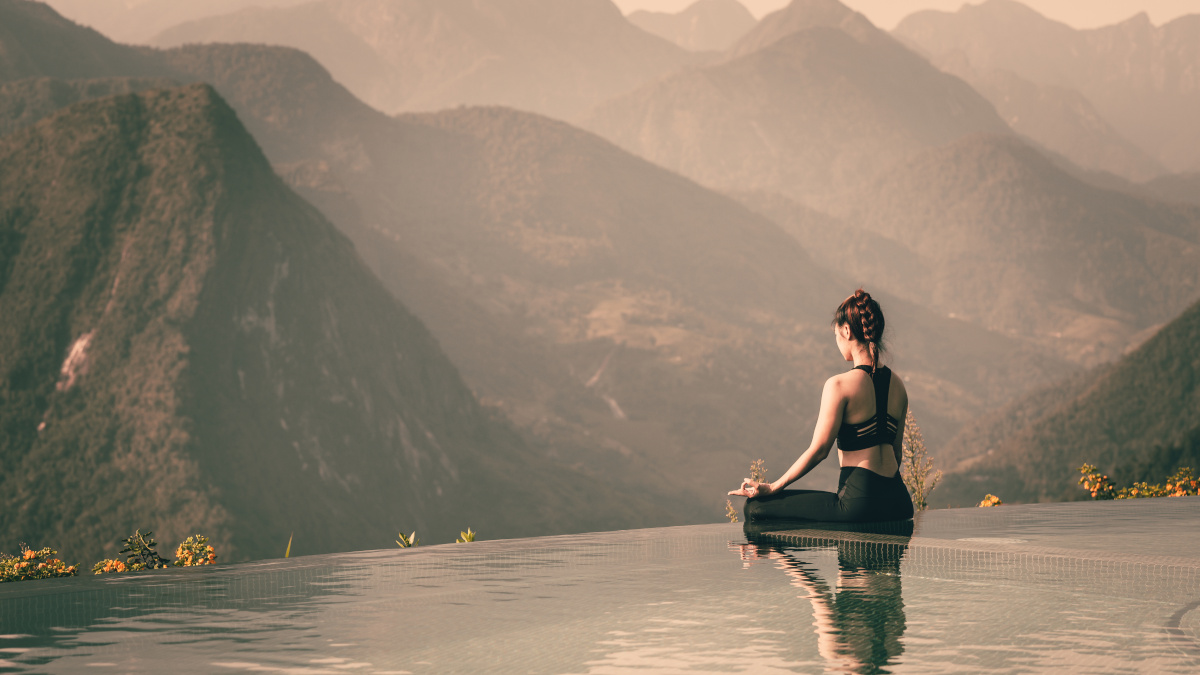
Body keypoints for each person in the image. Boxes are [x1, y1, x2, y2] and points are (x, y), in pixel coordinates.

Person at [729, 289, 914, 523]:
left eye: (836, 334)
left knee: (754, 509)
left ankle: (784, 560)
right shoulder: (898, 386)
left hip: (858, 504)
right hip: (899, 503)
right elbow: (896, 454)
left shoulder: (839, 385)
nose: (837, 341)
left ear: (846, 330)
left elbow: (819, 451)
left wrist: (773, 487)